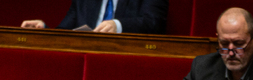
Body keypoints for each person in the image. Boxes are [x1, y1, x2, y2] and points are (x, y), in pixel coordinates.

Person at [21, 0, 168, 34]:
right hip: (86, 61)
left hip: (127, 63)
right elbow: (64, 33)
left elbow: (153, 22)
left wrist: (118, 25)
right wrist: (44, 29)